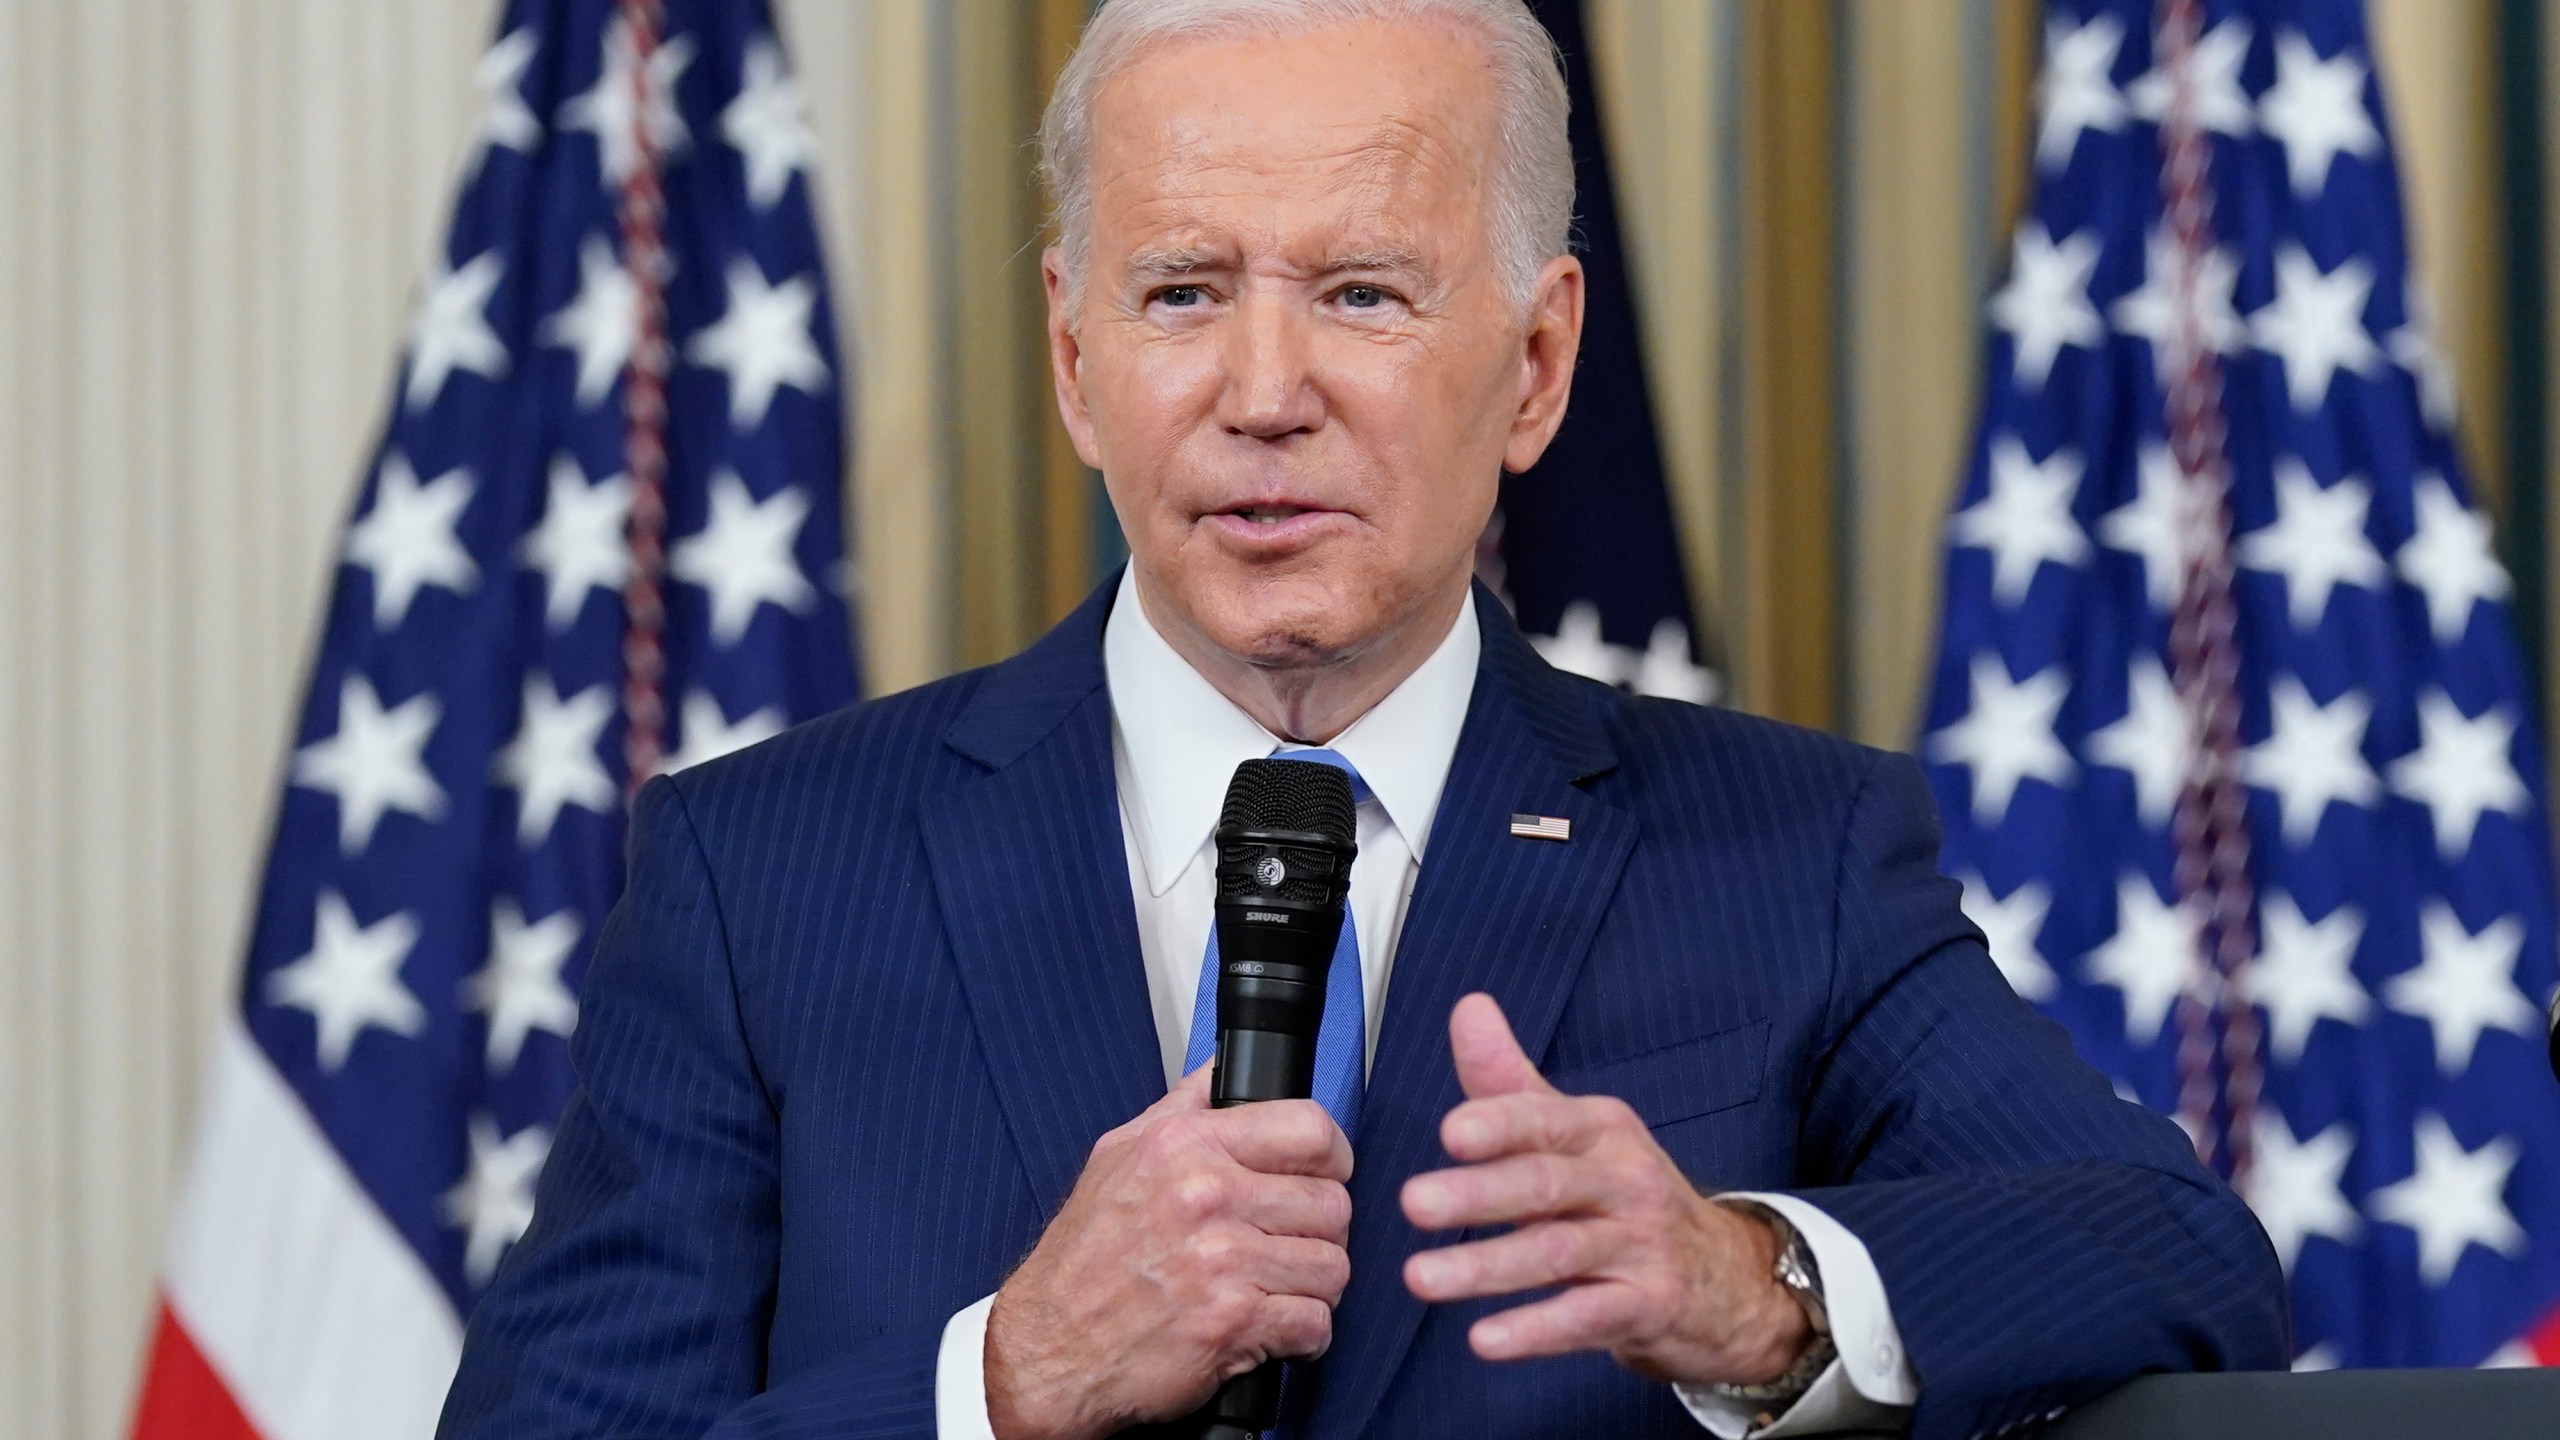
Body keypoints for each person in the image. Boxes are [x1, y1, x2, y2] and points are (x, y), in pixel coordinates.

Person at [436, 2, 2288, 1437]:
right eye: (1182, 294)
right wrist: (1004, 1381)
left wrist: (1754, 1290)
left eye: (1360, 294)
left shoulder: (1787, 857)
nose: (1262, 392)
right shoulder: (765, 873)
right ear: (1079, 365)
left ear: (1539, 363)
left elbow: (2182, 1256)